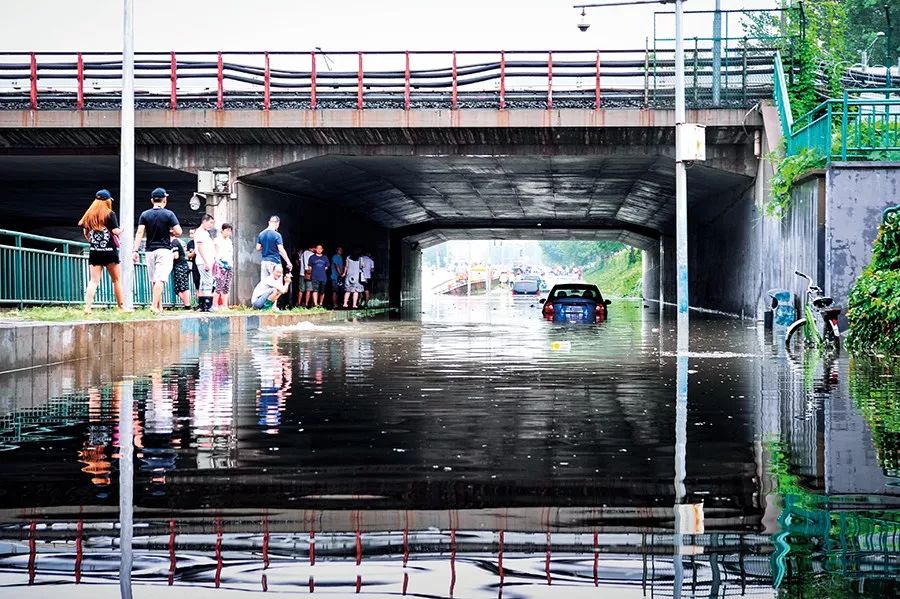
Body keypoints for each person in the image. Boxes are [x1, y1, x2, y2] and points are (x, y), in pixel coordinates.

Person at [133, 187, 182, 313]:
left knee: (154, 280)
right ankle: (154, 305)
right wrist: (171, 232)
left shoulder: (145, 214)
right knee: (160, 279)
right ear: (164, 200)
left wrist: (135, 250)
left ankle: (159, 308)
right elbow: (179, 231)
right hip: (164, 250)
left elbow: (140, 233)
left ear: (152, 200)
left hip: (149, 251)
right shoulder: (169, 214)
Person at [78, 189, 124, 312]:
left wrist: (93, 241)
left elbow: (86, 233)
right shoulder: (110, 214)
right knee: (116, 280)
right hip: (110, 252)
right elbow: (115, 231)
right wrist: (122, 229)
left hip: (95, 251)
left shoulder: (89, 214)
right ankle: (121, 307)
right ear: (108, 201)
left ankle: (87, 307)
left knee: (93, 281)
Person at [256, 216, 292, 280]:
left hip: (264, 262)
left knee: (265, 284)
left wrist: (266, 245)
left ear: (269, 222)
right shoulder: (277, 235)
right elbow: (280, 250)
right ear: (277, 223)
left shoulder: (261, 234)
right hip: (274, 262)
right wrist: (288, 262)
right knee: (276, 284)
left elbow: (258, 248)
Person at [193, 214, 216, 312]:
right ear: (204, 221)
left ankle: (203, 305)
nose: (211, 225)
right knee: (208, 281)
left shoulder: (205, 233)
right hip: (204, 261)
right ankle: (207, 304)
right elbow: (200, 248)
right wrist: (206, 262)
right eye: (210, 222)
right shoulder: (200, 232)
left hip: (207, 260)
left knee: (204, 281)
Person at [213, 223, 234, 309]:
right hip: (220, 265)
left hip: (229, 265)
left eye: (230, 231)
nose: (228, 232)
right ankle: (215, 305)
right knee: (219, 286)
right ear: (222, 230)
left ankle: (225, 305)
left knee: (227, 286)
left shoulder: (229, 241)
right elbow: (213, 253)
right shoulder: (216, 240)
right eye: (227, 230)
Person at [170, 228, 192, 309]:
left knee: (182, 286)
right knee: (179, 287)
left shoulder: (174, 242)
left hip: (180, 265)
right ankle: (187, 304)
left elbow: (176, 256)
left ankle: (187, 305)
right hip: (182, 265)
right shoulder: (176, 241)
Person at [185, 228, 201, 296]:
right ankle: (198, 298)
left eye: (192, 233)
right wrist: (194, 251)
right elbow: (188, 255)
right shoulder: (190, 243)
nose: (191, 235)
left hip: (202, 264)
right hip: (195, 264)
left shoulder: (201, 242)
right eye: (190, 233)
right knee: (196, 281)